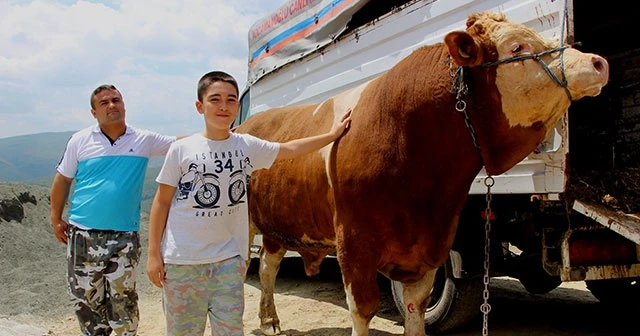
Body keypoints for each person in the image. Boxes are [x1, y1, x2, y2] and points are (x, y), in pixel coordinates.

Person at [145, 70, 351, 336]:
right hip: (183, 262)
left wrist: (332, 135)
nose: (224, 106)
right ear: (200, 106)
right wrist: (153, 255)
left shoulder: (246, 146)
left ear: (238, 106)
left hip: (229, 262)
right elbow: (161, 203)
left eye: (231, 100)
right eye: (215, 99)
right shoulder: (182, 150)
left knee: (231, 331)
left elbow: (289, 149)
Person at [50, 84, 183, 336]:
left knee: (123, 298)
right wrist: (55, 218)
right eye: (104, 103)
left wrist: (224, 133)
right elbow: (62, 180)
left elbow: (180, 143)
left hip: (124, 237)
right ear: (93, 112)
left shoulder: (142, 139)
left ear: (124, 105)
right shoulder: (80, 140)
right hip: (83, 235)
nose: (112, 106)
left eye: (116, 100)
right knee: (85, 299)